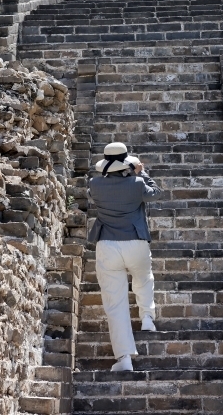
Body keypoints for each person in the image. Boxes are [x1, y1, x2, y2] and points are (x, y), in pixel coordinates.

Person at [88, 142, 161, 372]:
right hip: (136, 240)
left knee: (115, 303)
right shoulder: (138, 183)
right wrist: (142, 173)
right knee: (143, 278)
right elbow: (156, 193)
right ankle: (147, 317)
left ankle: (124, 359)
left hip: (108, 244)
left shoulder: (94, 185)